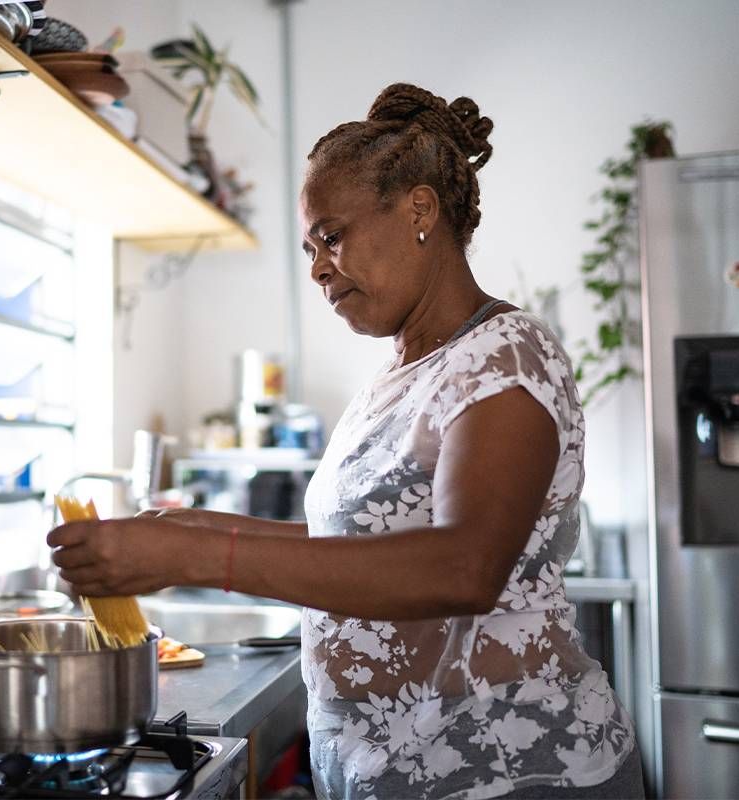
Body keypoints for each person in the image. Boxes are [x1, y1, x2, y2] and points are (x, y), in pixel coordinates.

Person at [48, 82, 642, 800]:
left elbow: (465, 566)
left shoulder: (506, 354)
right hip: (388, 770)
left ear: (419, 210)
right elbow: (349, 539)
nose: (318, 267)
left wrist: (198, 553)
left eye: (331, 236)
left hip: (506, 771)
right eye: (310, 247)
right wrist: (181, 528)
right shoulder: (401, 373)